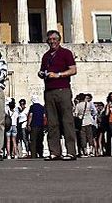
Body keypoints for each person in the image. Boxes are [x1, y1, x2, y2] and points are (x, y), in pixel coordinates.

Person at [39, 30, 78, 160]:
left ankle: (71, 151)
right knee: (52, 123)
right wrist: (42, 73)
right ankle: (54, 151)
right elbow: (43, 70)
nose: (52, 41)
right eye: (50, 39)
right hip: (49, 91)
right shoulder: (46, 56)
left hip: (63, 90)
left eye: (54, 39)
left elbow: (73, 70)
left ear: (59, 40)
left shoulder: (66, 53)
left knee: (67, 121)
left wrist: (58, 75)